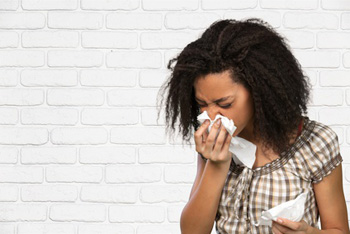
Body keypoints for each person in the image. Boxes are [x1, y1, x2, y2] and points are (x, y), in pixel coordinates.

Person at [160, 18, 349, 234]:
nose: (211, 116)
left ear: (259, 91)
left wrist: (309, 233)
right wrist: (217, 164)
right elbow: (192, 232)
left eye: (225, 104)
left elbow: (339, 230)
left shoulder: (316, 143)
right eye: (202, 104)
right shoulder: (213, 145)